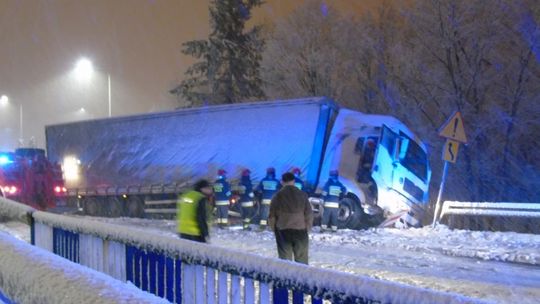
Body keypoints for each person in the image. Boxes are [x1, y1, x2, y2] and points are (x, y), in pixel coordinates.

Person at [269, 172, 313, 264]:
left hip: (283, 231)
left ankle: (286, 278)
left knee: (285, 261)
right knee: (302, 260)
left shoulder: (277, 196)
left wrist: (275, 230)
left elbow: (272, 216)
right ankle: (301, 277)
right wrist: (307, 228)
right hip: (300, 230)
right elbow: (309, 214)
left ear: (282, 182)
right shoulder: (302, 195)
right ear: (293, 181)